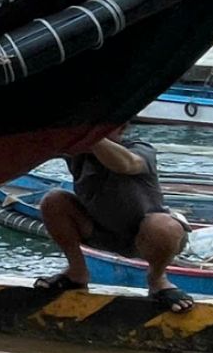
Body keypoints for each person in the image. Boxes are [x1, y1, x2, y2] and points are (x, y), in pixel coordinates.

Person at [33, 124, 194, 313]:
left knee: (164, 226)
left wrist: (92, 138)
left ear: (121, 129)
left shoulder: (141, 149)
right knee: (53, 200)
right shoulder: (78, 154)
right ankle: (76, 272)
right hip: (99, 230)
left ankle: (158, 280)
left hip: (145, 237)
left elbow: (127, 164)